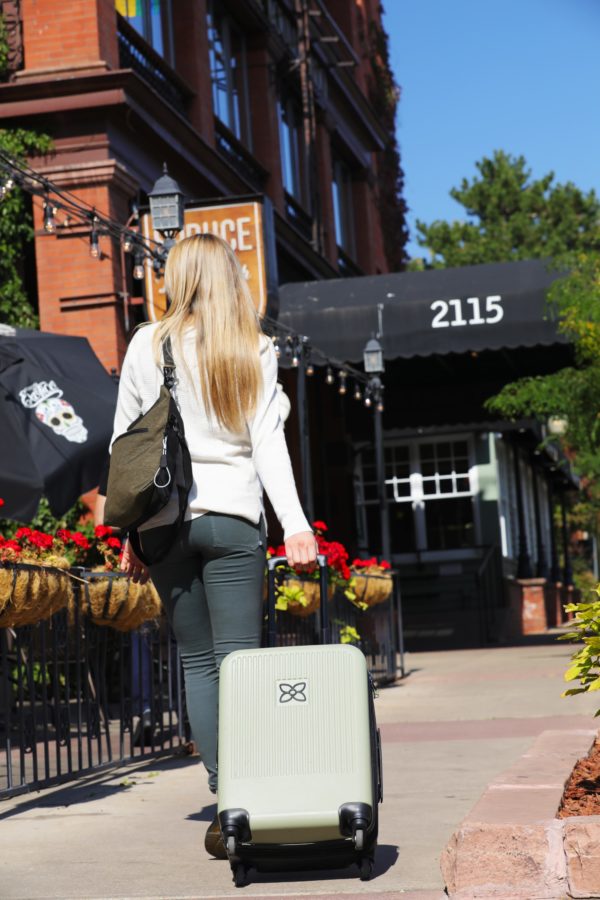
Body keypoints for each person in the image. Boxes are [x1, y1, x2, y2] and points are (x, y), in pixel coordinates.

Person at [109, 232, 317, 857]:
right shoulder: (252, 348)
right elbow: (268, 446)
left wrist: (127, 530)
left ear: (177, 276)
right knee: (238, 663)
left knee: (198, 665)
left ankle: (225, 799)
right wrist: (297, 525)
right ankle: (249, 799)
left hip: (164, 526)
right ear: (230, 278)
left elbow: (125, 444)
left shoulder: (148, 343)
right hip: (231, 523)